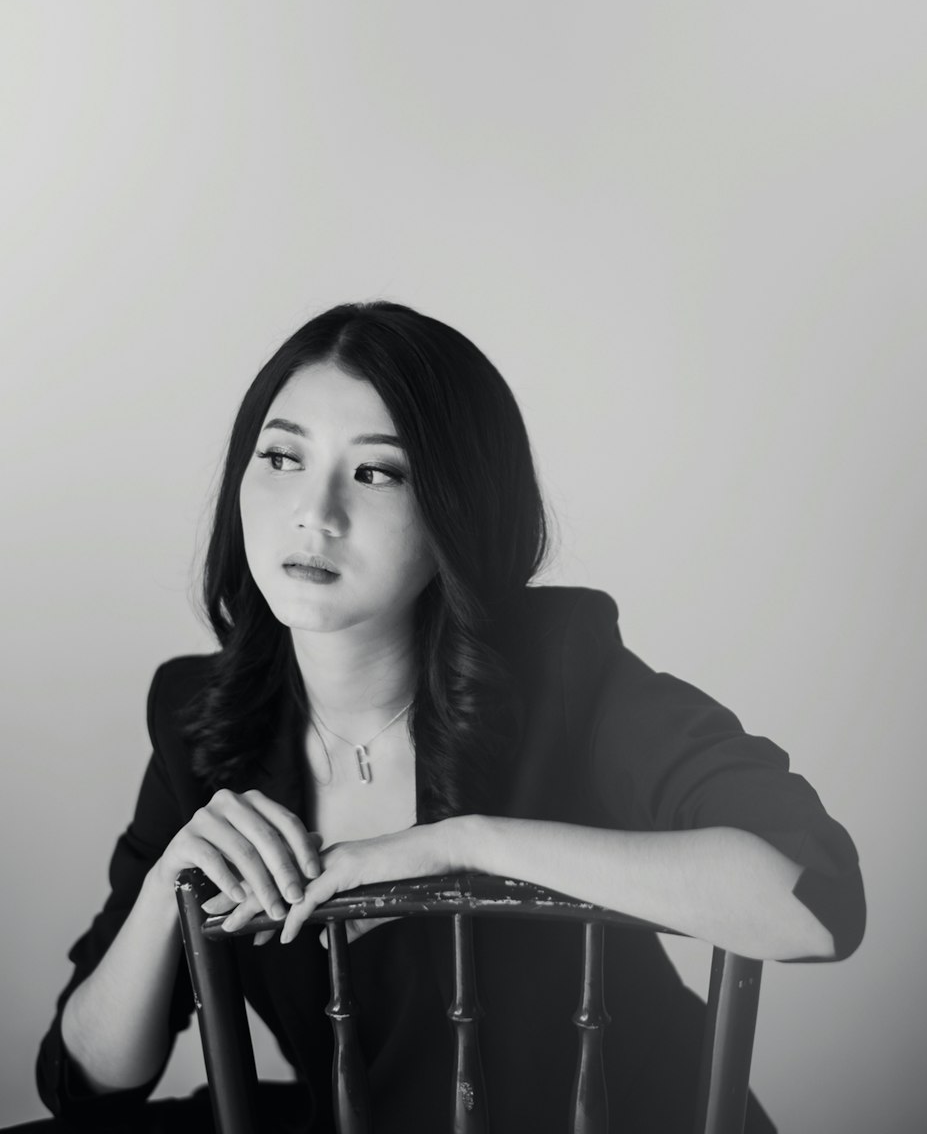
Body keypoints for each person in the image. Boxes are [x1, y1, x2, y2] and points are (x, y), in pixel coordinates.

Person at [31, 300, 865, 1133]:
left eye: (377, 473)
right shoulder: (199, 720)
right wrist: (165, 892)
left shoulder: (563, 672)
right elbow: (83, 1083)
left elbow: (815, 905)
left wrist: (464, 845)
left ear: (454, 511)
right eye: (282, 457)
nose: (313, 514)